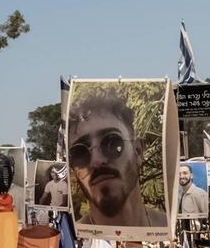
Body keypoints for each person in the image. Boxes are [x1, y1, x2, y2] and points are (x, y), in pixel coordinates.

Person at [70, 89, 164, 228]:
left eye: (112, 142)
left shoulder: (167, 229)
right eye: (80, 153)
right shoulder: (71, 243)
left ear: (137, 150)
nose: (96, 161)